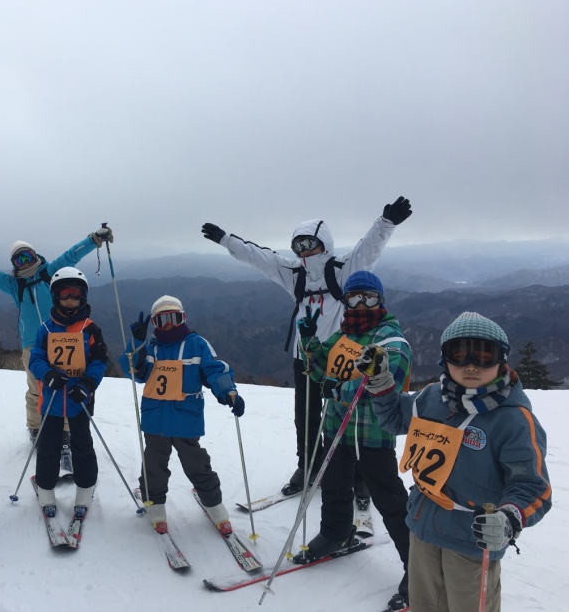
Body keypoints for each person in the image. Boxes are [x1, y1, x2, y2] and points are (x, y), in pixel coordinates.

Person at [201, 196, 412, 496]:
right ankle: (309, 466)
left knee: (348, 412)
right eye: (298, 245)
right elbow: (261, 258)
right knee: (306, 415)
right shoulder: (294, 274)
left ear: (324, 243)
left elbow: (369, 248)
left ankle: (357, 475)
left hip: (341, 357)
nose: (303, 251)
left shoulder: (342, 269)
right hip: (307, 357)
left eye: (309, 243)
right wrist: (226, 240)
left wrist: (386, 222)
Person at [357, 311, 552, 612]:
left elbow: (532, 487)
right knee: (423, 603)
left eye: (484, 355)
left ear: (502, 360)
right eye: (459, 354)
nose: (471, 365)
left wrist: (510, 518)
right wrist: (381, 383)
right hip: (422, 528)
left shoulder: (513, 421)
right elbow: (394, 419)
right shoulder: (432, 398)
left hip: (471, 542)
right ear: (444, 359)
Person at [293, 271, 411, 612]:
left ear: (380, 300)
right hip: (336, 428)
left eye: (368, 298)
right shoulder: (343, 335)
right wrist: (309, 342)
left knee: (389, 499)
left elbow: (388, 379)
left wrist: (339, 389)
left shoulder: (391, 339)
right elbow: (319, 372)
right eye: (353, 298)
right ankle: (336, 533)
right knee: (334, 486)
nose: (360, 305)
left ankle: (417, 564)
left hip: (372, 433)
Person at [0, 225, 113, 441]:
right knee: (36, 388)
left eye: (27, 256)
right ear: (14, 264)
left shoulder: (50, 272)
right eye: (19, 260)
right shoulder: (15, 285)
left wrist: (94, 239)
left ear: (35, 255)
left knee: (67, 385)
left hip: (65, 338)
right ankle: (36, 427)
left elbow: (72, 255)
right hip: (33, 344)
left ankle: (66, 430)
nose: (25, 263)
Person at [120, 295, 246, 536]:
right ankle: (154, 503)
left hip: (186, 417)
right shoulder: (151, 348)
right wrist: (136, 342)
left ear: (183, 318)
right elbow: (132, 369)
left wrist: (228, 393)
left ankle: (214, 504)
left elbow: (215, 370)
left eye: (174, 318)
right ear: (154, 323)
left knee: (196, 462)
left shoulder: (196, 344)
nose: (168, 325)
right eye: (162, 320)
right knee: (154, 464)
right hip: (155, 416)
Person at [28, 267, 109, 519]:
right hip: (51, 400)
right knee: (48, 447)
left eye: (75, 294)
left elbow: (100, 360)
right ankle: (46, 489)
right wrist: (47, 374)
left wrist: (87, 383)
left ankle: (85, 489)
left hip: (79, 400)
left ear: (83, 296)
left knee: (82, 445)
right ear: (56, 296)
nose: (71, 299)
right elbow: (35, 359)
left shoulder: (90, 328)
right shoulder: (46, 328)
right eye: (65, 294)